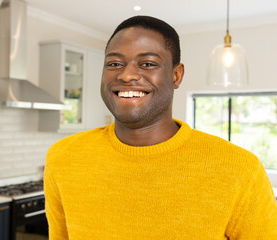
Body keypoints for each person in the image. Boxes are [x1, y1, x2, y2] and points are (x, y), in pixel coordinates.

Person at [44, 15, 277, 239]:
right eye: (114, 63)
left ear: (176, 76)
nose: (127, 75)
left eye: (147, 63)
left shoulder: (241, 170)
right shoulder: (63, 157)